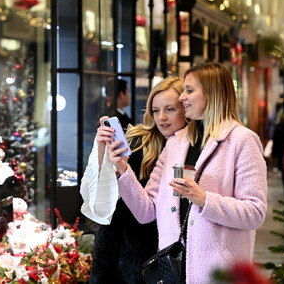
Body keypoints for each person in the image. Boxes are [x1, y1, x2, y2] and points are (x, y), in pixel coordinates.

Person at [109, 62, 268, 284]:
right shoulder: (177, 142)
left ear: (212, 93)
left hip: (219, 274)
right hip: (172, 271)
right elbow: (146, 211)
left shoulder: (242, 140)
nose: (182, 97)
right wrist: (123, 169)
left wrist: (204, 200)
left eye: (190, 90)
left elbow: (255, 212)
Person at [80, 77, 187, 284]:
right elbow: (105, 192)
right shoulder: (138, 142)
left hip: (172, 254)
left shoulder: (196, 148)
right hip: (123, 252)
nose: (162, 117)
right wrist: (102, 151)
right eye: (155, 110)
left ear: (186, 108)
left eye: (170, 109)